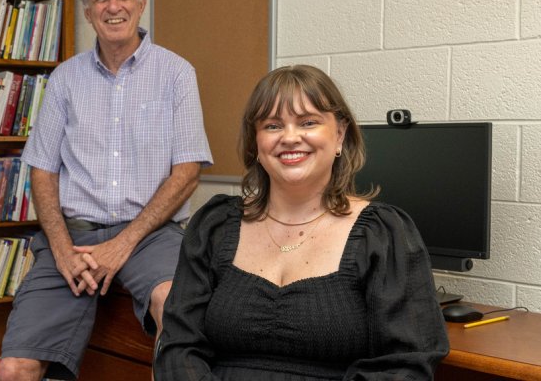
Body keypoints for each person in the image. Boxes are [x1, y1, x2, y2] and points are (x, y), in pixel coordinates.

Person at [154, 65, 449, 380]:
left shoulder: (383, 234)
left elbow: (405, 365)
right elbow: (178, 347)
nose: (290, 138)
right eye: (272, 125)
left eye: (308, 122)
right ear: (256, 143)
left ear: (340, 135)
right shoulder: (214, 226)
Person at [0, 0, 213, 381]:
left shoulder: (176, 74)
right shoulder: (64, 79)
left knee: (172, 305)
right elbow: (42, 172)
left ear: (141, 3)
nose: (113, 6)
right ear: (87, 10)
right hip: (73, 237)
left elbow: (187, 172)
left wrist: (122, 243)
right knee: (14, 368)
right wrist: (62, 250)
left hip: (150, 234)